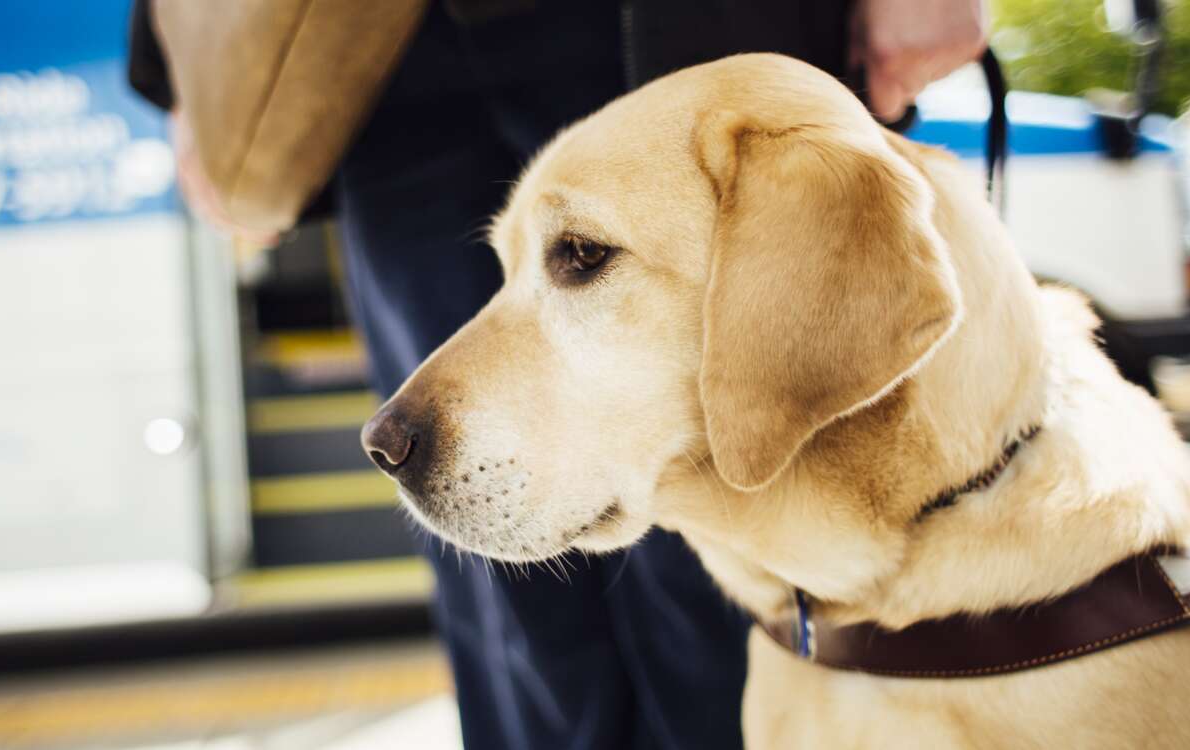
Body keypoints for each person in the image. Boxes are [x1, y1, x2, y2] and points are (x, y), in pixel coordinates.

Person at [130, 1, 986, 747]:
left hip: (658, 26)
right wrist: (187, 72)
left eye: (580, 258)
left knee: (728, 550)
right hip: (373, 64)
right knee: (496, 583)